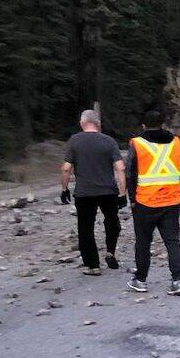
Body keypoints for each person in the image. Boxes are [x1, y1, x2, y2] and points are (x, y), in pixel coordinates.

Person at [125, 110, 180, 296]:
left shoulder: (137, 144)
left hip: (145, 202)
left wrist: (132, 200)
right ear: (163, 123)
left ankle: (141, 280)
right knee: (172, 241)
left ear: (143, 125)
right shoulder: (177, 142)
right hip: (171, 201)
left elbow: (130, 174)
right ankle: (177, 281)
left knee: (143, 243)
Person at [60, 109, 127, 275]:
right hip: (108, 191)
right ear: (98, 124)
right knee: (112, 222)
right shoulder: (109, 141)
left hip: (84, 192)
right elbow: (120, 168)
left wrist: (64, 189)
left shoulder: (74, 141)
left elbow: (66, 168)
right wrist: (122, 193)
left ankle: (93, 265)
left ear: (82, 123)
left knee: (85, 228)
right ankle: (110, 250)